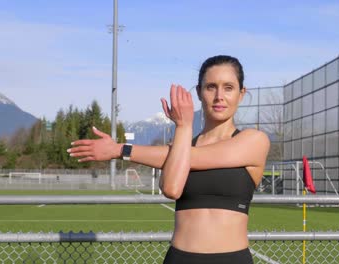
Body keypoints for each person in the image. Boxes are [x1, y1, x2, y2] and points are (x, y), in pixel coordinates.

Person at [68, 55, 270, 264]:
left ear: (241, 93)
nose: (219, 96)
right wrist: (182, 127)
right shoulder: (181, 147)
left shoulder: (254, 141)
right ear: (199, 92)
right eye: (211, 87)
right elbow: (172, 189)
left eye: (228, 87)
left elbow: (198, 157)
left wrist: (120, 149)